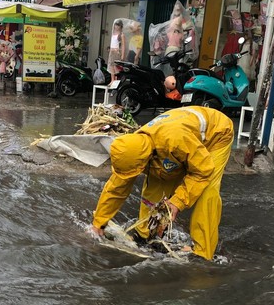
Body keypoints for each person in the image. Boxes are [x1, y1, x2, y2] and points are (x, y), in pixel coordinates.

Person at [90, 107, 234, 261]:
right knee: (157, 179)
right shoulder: (133, 147)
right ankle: (145, 234)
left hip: (216, 135)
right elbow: (117, 187)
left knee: (207, 191)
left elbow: (203, 171)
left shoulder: (174, 141)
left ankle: (203, 252)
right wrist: (99, 223)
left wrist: (177, 202)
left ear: (145, 159)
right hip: (183, 140)